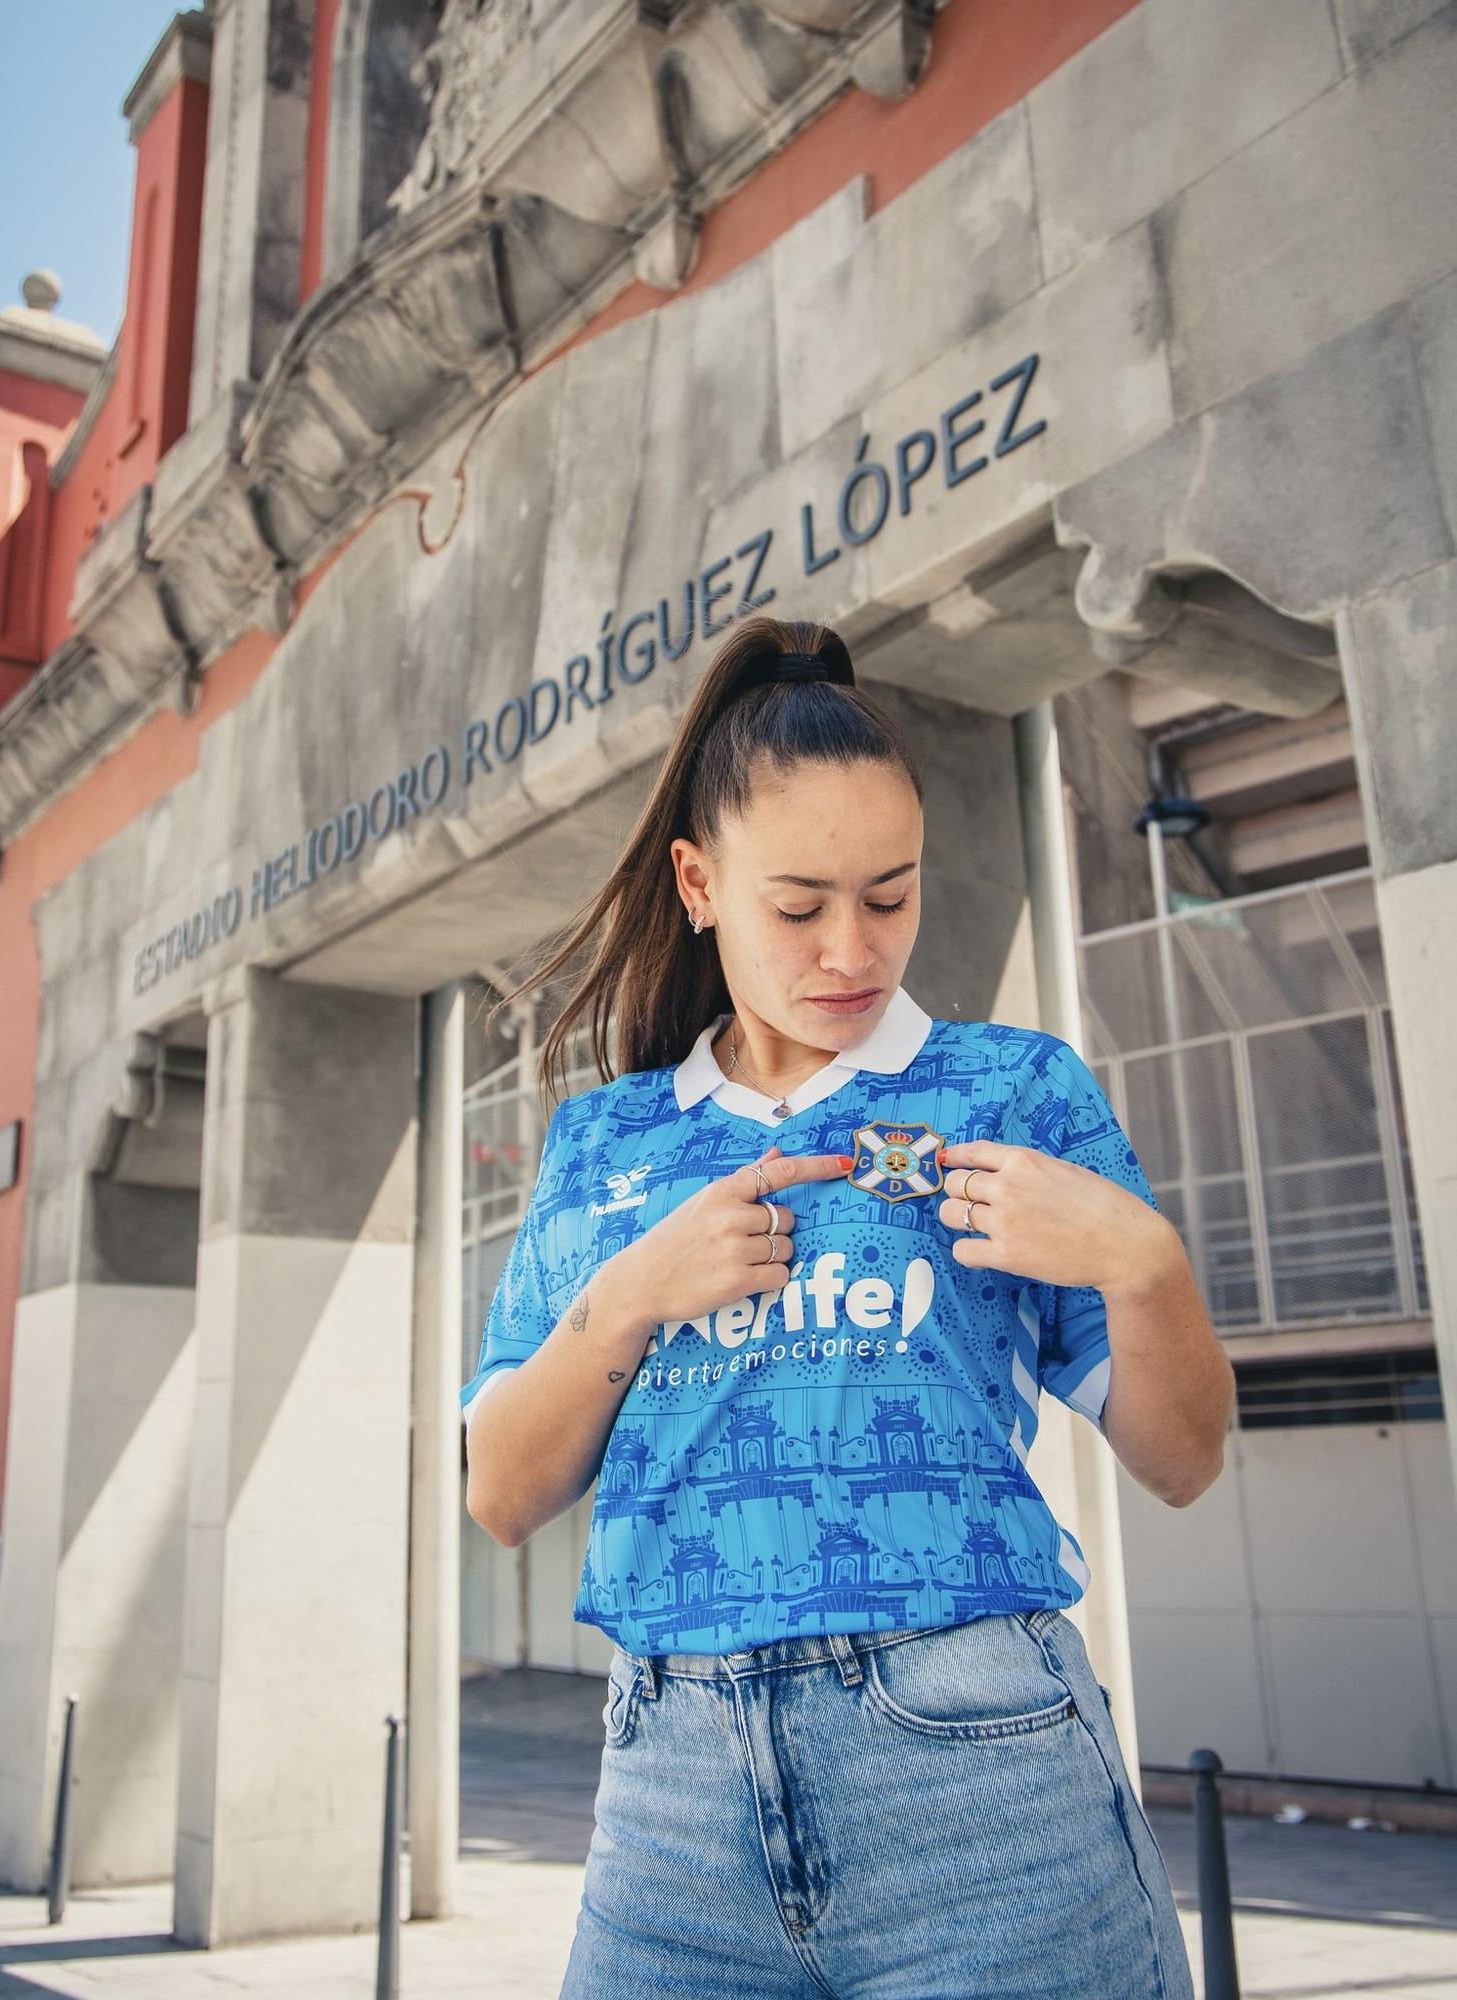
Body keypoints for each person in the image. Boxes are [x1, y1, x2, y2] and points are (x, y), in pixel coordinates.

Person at [460, 613, 1233, 1999]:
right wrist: (633, 1293)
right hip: (669, 1816)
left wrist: (1144, 1263)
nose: (852, 948)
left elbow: (1181, 1460)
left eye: (891, 893)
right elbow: (503, 1494)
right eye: (799, 904)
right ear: (699, 885)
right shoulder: (604, 1144)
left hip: (980, 1782)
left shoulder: (1017, 1089)